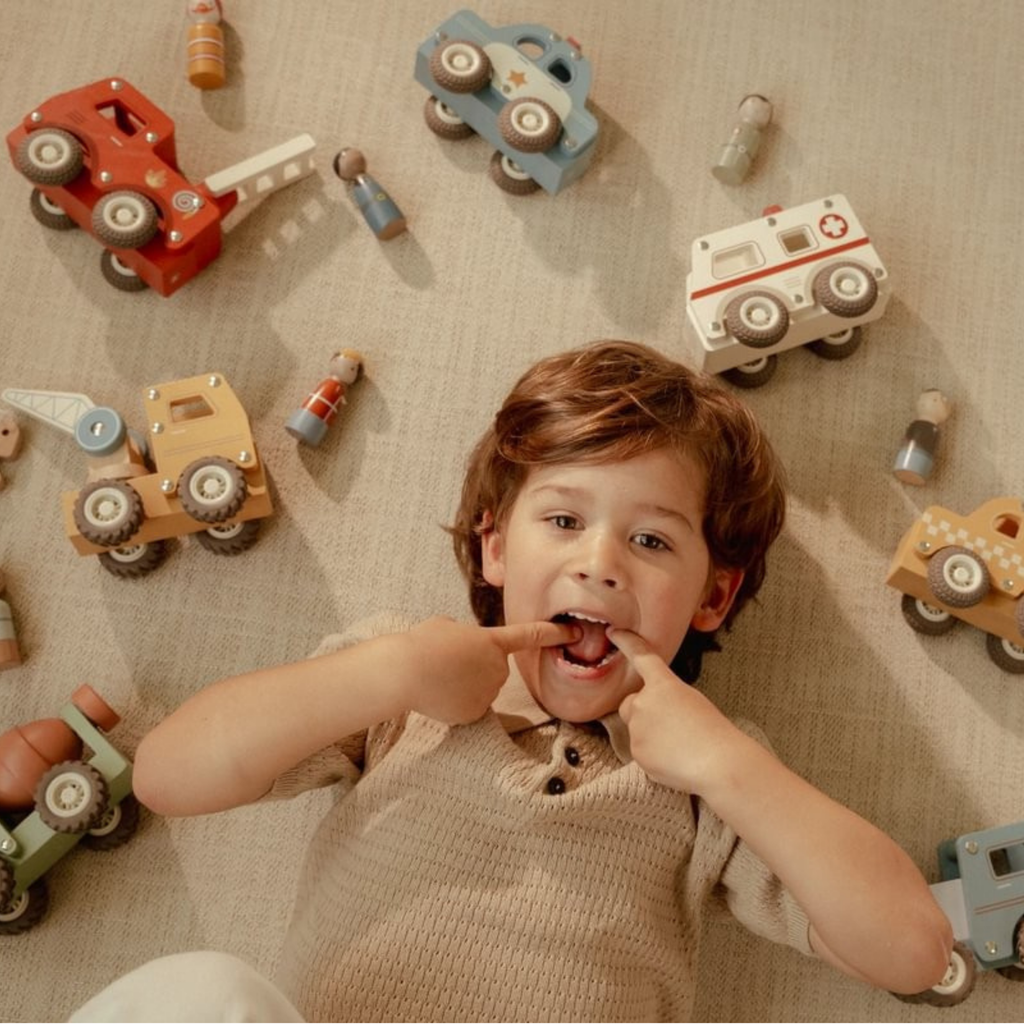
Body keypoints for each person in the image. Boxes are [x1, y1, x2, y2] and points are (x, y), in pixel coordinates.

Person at [86, 340, 951, 1021]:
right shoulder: (399, 688)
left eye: (651, 541)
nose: (600, 564)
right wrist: (388, 673)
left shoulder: (709, 778)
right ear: (495, 547)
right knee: (200, 990)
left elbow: (911, 950)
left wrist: (724, 763)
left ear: (713, 595)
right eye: (565, 520)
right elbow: (167, 776)